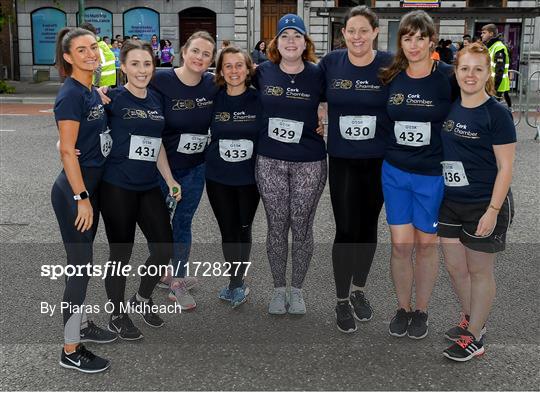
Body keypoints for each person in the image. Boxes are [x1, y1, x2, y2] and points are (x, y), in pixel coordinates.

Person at [379, 10, 457, 339]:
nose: (413, 44)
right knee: (400, 245)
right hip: (396, 171)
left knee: (426, 246)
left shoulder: (448, 77)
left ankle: (421, 310)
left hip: (431, 175)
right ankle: (402, 307)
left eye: (420, 38)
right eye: (407, 38)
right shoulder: (391, 75)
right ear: (401, 41)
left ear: (431, 41)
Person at [438, 42, 516, 361]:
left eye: (478, 69)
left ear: (488, 74)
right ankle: (473, 321)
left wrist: (493, 211)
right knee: (456, 268)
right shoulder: (449, 105)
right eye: (465, 68)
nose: (471, 75)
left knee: (480, 271)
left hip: (485, 203)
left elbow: (506, 167)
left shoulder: (496, 113)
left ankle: (475, 338)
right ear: (456, 71)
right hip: (450, 201)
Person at [99, 39, 181, 339]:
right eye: (134, 63)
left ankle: (142, 299)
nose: (142, 70)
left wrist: (170, 179)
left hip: (148, 185)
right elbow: (83, 125)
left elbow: (157, 144)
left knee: (164, 248)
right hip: (117, 186)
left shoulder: (156, 99)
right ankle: (117, 314)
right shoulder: (112, 98)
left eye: (147, 63)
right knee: (121, 253)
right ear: (123, 67)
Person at [319, 5, 393, 333]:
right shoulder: (331, 62)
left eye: (364, 31)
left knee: (367, 228)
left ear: (375, 32)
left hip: (378, 159)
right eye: (351, 31)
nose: (357, 37)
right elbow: (308, 93)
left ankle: (359, 290)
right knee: (346, 229)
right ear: (343, 33)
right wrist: (315, 119)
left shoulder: (389, 63)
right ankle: (340, 299)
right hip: (343, 159)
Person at [53, 26, 116, 373]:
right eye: (81, 51)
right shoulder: (71, 95)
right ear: (67, 58)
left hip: (87, 189)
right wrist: (82, 198)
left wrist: (102, 97)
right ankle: (70, 349)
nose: (91, 54)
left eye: (93, 48)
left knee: (81, 266)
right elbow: (66, 149)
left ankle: (81, 324)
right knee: (79, 269)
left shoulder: (89, 90)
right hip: (74, 195)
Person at [254, 14, 326, 315]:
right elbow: (223, 82)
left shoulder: (317, 74)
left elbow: (339, 101)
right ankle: (277, 288)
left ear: (305, 42)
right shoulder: (261, 72)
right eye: (285, 36)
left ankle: (296, 290)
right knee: (276, 225)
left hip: (308, 160)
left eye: (297, 35)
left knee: (302, 226)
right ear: (276, 43)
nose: (291, 41)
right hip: (269, 160)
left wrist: (326, 120)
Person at [151, 31, 219, 309]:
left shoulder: (213, 84)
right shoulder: (161, 78)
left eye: (206, 54)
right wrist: (101, 92)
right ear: (183, 51)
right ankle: (162, 272)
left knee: (183, 222)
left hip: (195, 168)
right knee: (160, 224)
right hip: (162, 167)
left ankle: (176, 278)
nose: (200, 57)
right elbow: (131, 94)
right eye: (196, 51)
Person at [206, 46, 263, 308]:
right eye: (227, 66)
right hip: (218, 176)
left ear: (249, 68)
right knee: (228, 231)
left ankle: (239, 278)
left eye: (239, 65)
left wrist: (319, 116)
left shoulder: (259, 98)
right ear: (220, 71)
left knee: (243, 228)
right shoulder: (213, 96)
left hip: (250, 178)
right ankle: (235, 281)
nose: (233, 71)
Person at [481, 24, 512, 109]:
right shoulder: (491, 47)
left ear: (491, 34)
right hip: (490, 84)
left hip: (495, 86)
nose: (481, 35)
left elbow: (499, 70)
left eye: (484, 33)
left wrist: (494, 88)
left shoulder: (499, 47)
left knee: (491, 111)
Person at [80, 22, 116, 88]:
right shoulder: (102, 43)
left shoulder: (94, 46)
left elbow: (97, 69)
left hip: (100, 83)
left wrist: (95, 86)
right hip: (107, 81)